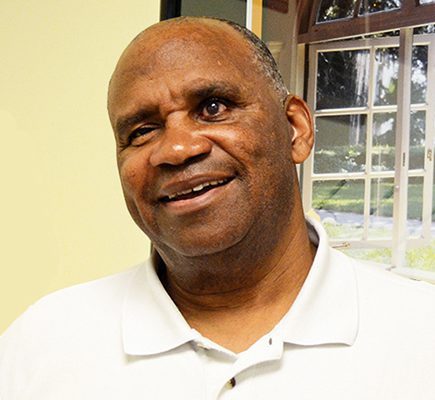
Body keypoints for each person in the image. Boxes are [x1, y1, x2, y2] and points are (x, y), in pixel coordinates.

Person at [1, 16, 435, 400]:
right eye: (142, 131)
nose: (176, 148)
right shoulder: (40, 346)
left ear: (295, 128)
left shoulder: (420, 335)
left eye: (213, 108)